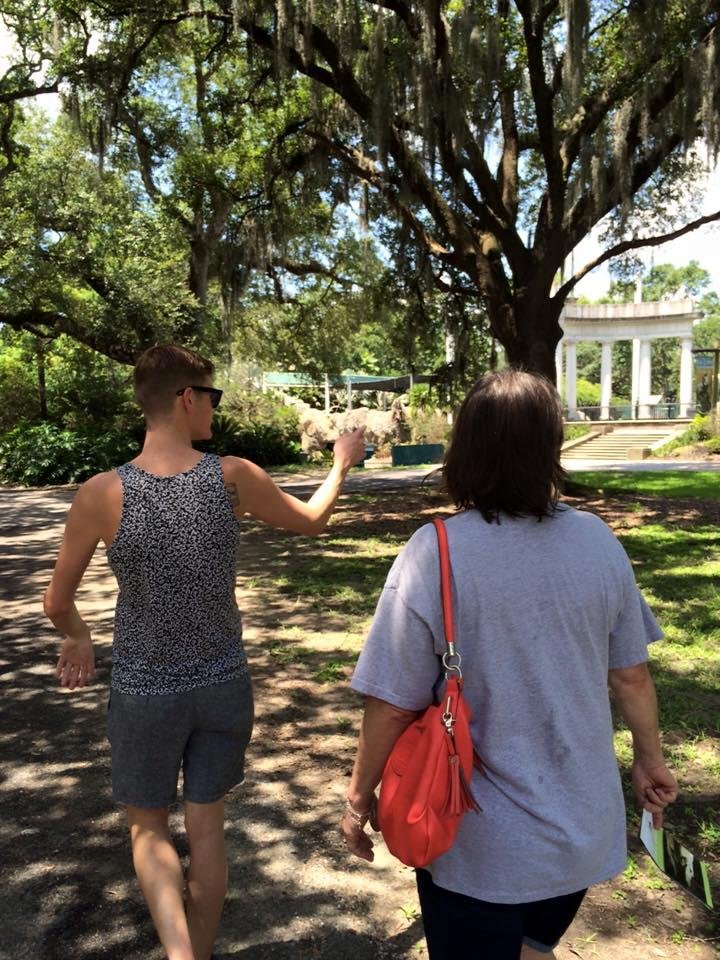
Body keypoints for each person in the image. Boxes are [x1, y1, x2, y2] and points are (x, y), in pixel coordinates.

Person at [340, 369, 678, 960]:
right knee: (532, 949)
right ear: (551, 447)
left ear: (465, 449)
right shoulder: (599, 541)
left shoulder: (434, 551)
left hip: (477, 845)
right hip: (580, 829)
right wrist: (649, 759)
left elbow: (392, 703)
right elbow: (631, 673)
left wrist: (358, 797)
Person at [43, 343, 365, 960]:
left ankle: (180, 954)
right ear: (186, 398)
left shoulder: (102, 492)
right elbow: (313, 520)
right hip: (222, 686)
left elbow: (57, 602)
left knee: (148, 828)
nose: (216, 407)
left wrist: (79, 638)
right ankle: (202, 949)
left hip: (144, 692)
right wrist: (341, 464)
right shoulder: (232, 476)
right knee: (207, 829)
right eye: (212, 396)